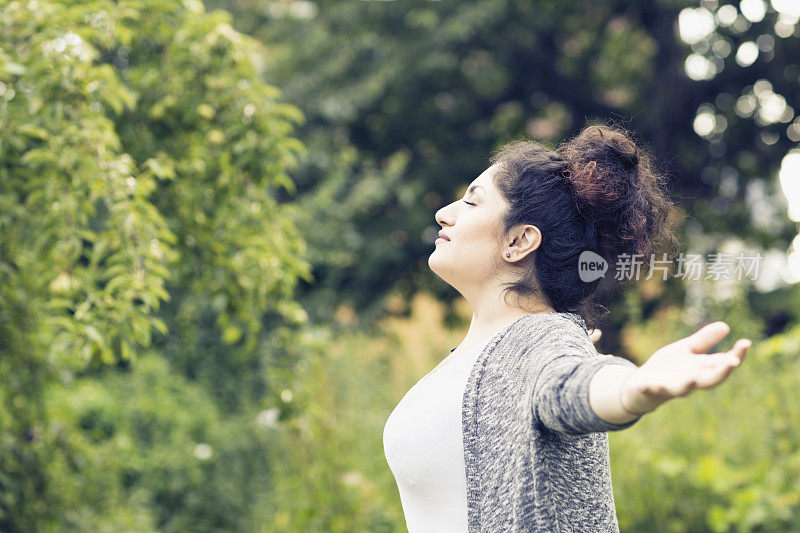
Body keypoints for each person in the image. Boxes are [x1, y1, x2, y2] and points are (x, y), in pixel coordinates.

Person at [382, 123, 751, 532]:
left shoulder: (540, 339)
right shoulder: (485, 354)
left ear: (519, 241)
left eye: (471, 203)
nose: (444, 213)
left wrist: (631, 390)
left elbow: (572, 384)